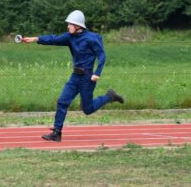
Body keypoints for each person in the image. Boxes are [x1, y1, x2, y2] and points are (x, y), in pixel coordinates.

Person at [22, 10, 124, 142]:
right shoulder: (69, 37)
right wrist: (36, 39)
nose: (68, 26)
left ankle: (109, 97)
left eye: (70, 24)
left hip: (87, 78)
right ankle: (57, 133)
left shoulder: (92, 38)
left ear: (77, 25)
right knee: (62, 102)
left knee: (87, 109)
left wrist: (97, 73)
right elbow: (54, 39)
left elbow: (102, 56)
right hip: (75, 76)